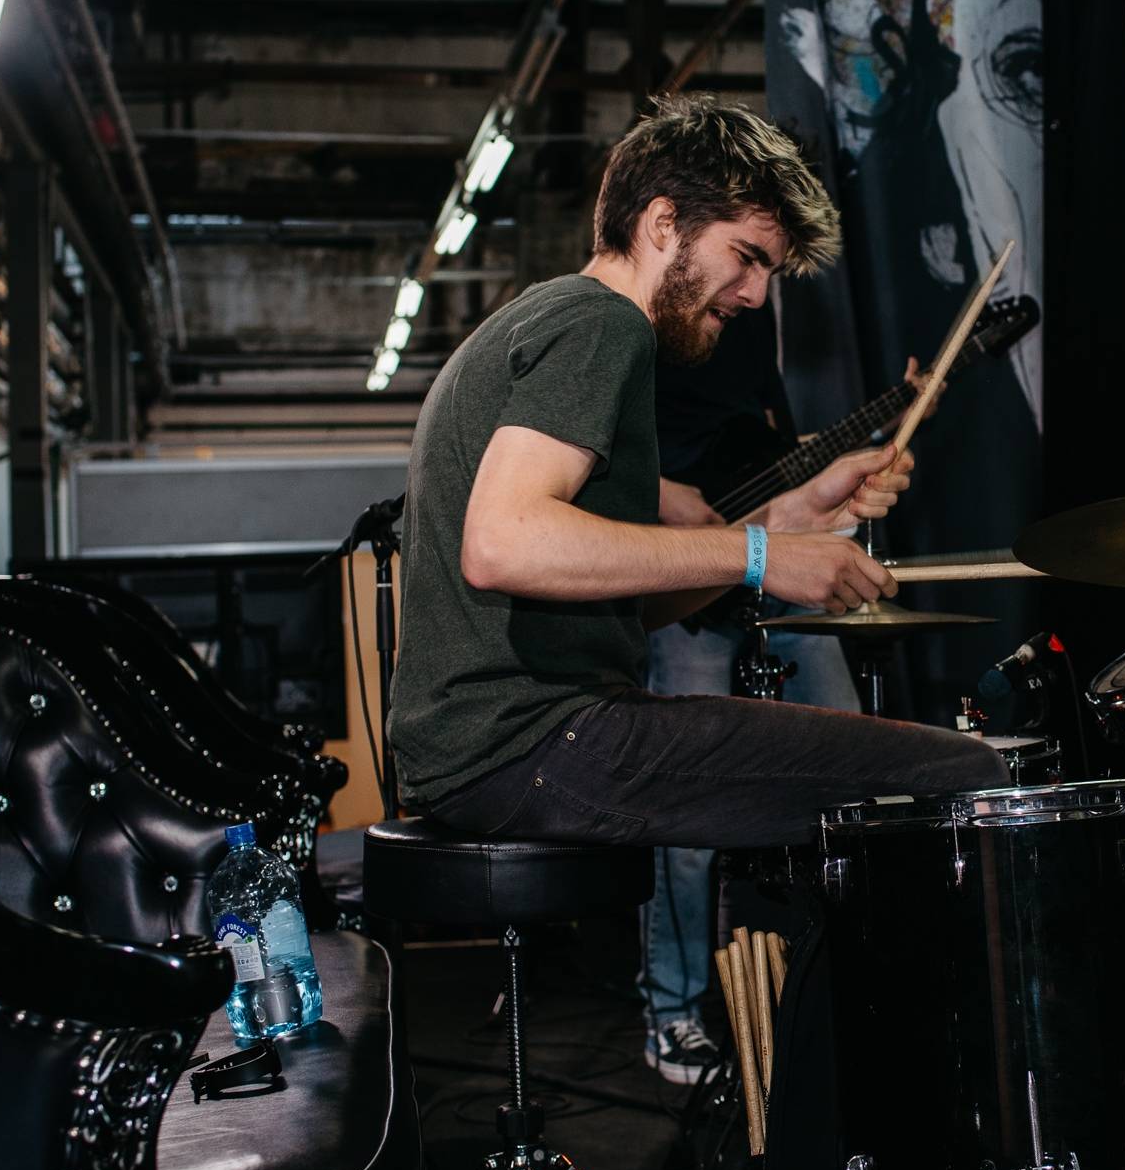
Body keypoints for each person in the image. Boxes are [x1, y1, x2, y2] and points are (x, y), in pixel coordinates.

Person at [386, 92, 997, 863]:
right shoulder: (601, 323)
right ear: (662, 223)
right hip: (529, 741)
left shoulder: (545, 319)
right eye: (746, 256)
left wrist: (784, 523)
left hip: (490, 750)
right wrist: (758, 554)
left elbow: (625, 607)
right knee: (961, 769)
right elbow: (502, 544)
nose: (756, 294)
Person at [633, 301, 880, 1085]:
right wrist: (661, 492)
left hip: (777, 544)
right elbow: (589, 452)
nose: (754, 285)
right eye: (747, 260)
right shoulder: (632, 315)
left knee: (849, 763)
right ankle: (671, 1010)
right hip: (685, 567)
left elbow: (766, 434)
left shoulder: (751, 312)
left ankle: (840, 990)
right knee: (687, 805)